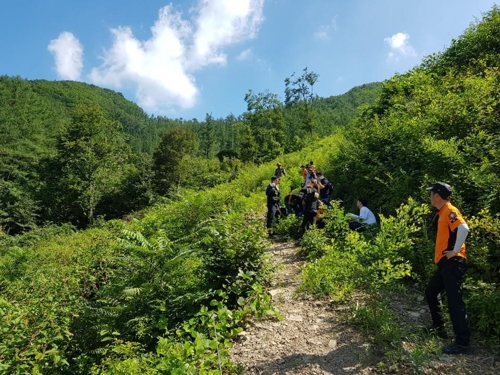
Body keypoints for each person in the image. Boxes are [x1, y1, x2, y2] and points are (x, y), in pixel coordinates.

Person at [424, 182, 471, 355]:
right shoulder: (443, 212)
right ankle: (439, 327)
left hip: (453, 263)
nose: (430, 197)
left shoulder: (450, 210)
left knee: (455, 301)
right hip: (445, 264)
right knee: (431, 292)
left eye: (431, 194)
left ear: (437, 195)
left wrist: (455, 251)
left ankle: (463, 343)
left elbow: (464, 228)